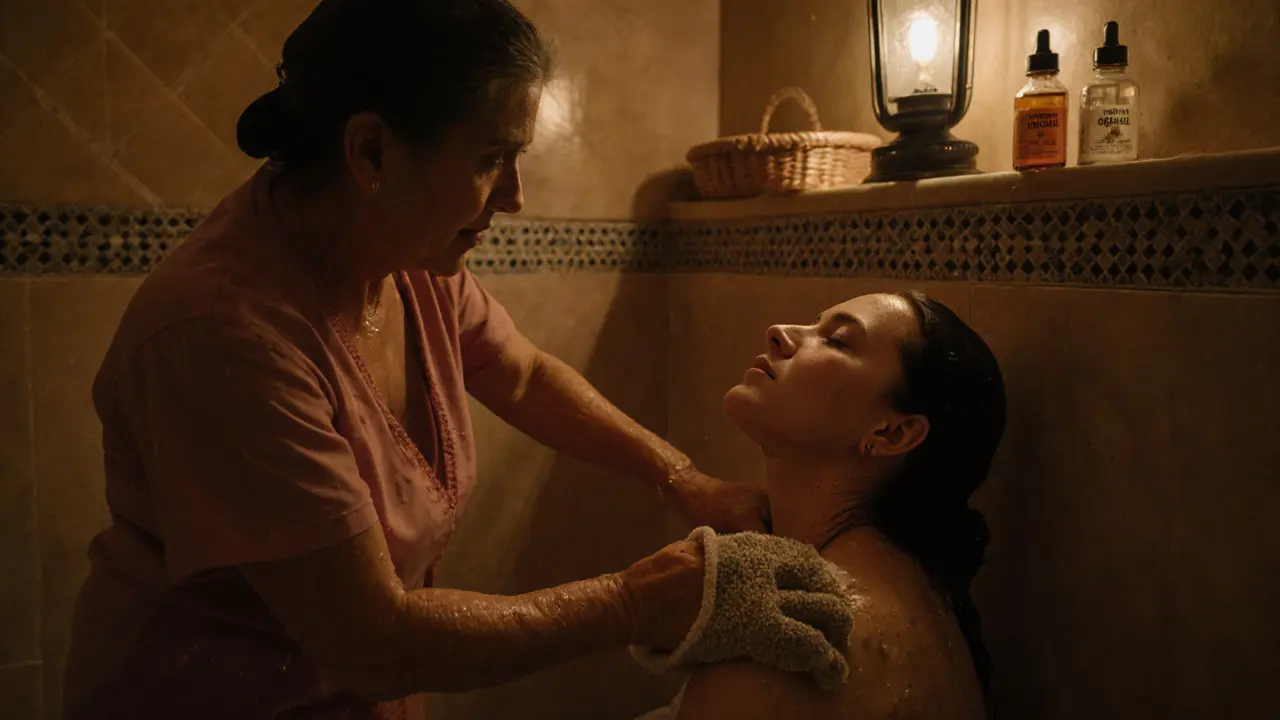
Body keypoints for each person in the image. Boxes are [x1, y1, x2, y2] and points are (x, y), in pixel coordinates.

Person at [61, 1, 854, 718]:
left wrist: (686, 480)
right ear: (371, 152)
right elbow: (373, 638)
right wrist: (637, 601)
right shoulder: (223, 334)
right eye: (491, 158)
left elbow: (523, 375)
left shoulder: (404, 255)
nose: (513, 196)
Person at [655, 291, 1007, 719]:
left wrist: (627, 605)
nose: (780, 333)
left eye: (837, 340)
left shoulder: (794, 637)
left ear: (891, 433)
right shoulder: (920, 592)